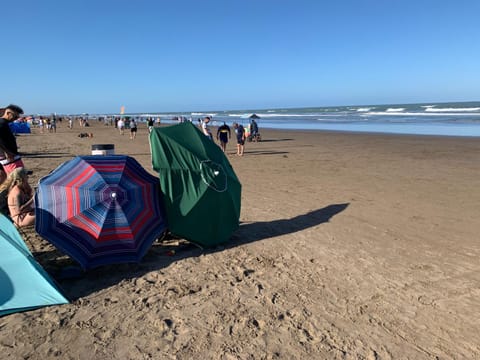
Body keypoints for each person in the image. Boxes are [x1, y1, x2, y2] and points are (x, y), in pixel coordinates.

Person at [0, 104, 25, 176]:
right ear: (8, 113)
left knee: (4, 178)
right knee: (18, 179)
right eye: (15, 116)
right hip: (9, 157)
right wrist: (7, 152)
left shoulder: (4, 123)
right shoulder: (2, 123)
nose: (16, 119)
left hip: (6, 157)